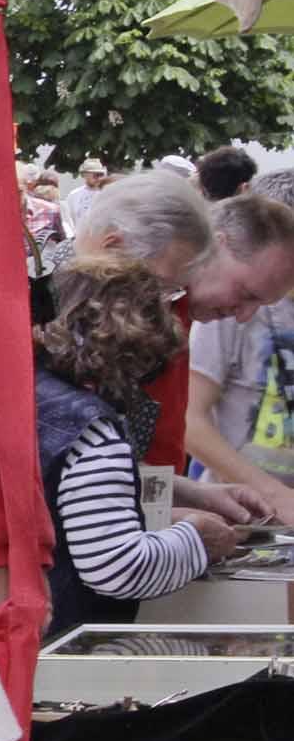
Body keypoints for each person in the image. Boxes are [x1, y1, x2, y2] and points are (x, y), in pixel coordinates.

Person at [36, 256, 237, 641]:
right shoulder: (95, 432)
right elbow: (117, 566)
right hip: (67, 643)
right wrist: (197, 539)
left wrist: (189, 492)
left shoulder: (28, 395)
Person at [77, 175, 294, 500]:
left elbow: (134, 462)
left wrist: (191, 502)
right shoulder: (79, 324)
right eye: (246, 293)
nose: (244, 315)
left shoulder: (172, 312)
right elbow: (86, 469)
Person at [186, 171, 294, 523]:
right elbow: (189, 420)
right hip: (246, 519)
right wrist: (275, 495)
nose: (246, 313)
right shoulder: (220, 311)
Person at [62, 155, 108, 237]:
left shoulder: (106, 194)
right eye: (95, 174)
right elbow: (68, 219)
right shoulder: (74, 195)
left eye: (100, 174)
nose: (98, 177)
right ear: (84, 175)